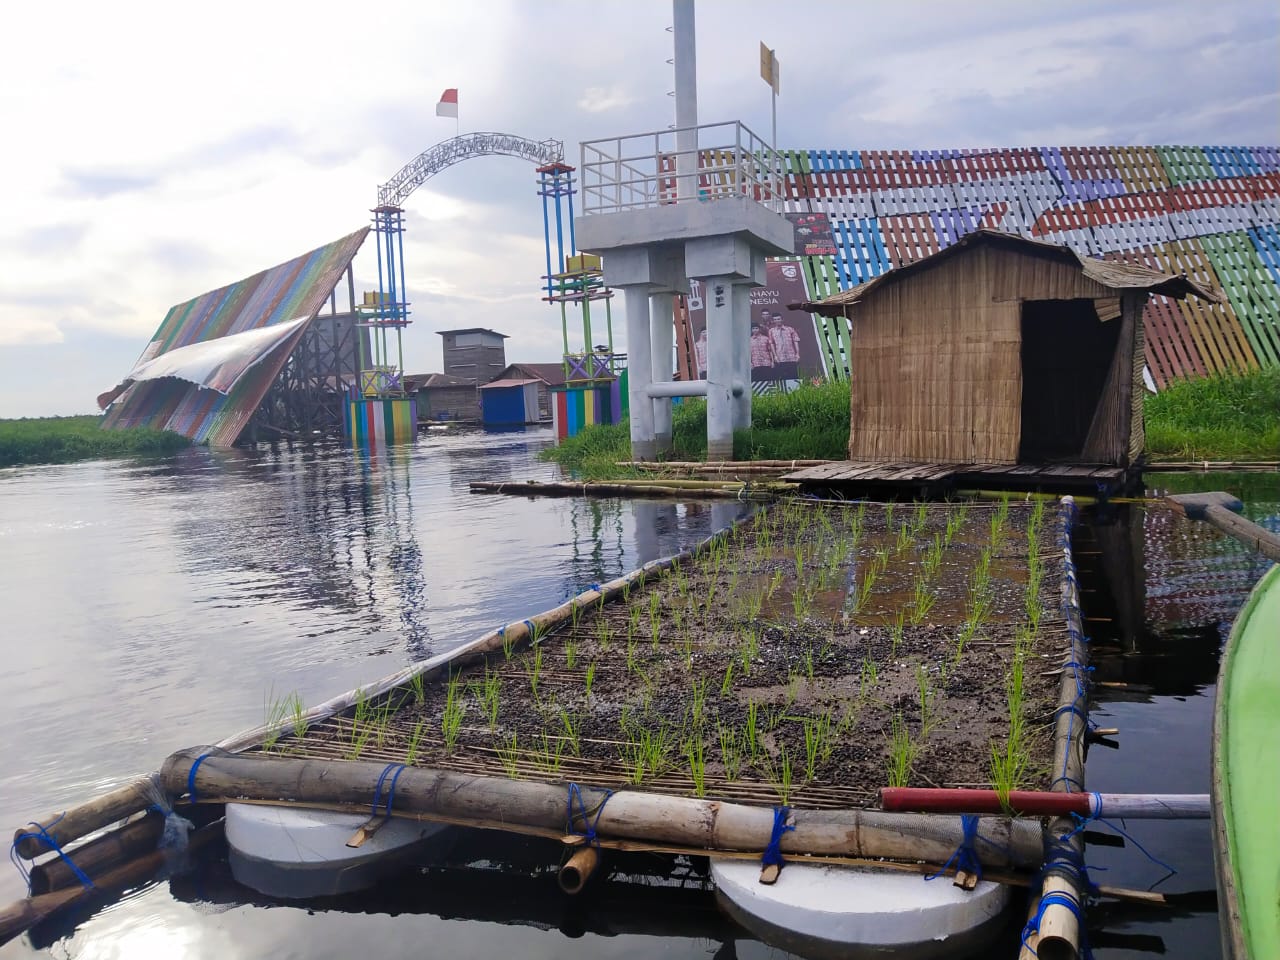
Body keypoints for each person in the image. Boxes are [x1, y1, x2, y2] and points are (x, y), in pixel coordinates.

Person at [766, 312, 802, 381]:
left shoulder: (790, 329)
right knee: (782, 377)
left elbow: (795, 341)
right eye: (775, 319)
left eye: (779, 319)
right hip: (780, 357)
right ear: (773, 321)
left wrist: (797, 354)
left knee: (793, 376)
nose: (777, 321)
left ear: (782, 319)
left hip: (791, 357)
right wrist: (775, 356)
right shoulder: (771, 331)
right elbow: (772, 344)